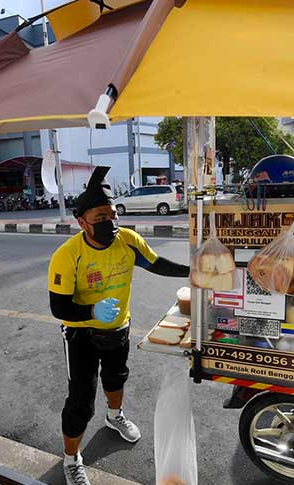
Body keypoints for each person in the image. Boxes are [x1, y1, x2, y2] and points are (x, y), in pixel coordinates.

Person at [48, 167, 190, 485]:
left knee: (116, 378)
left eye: (113, 215)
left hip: (118, 329)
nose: (110, 222)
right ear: (82, 222)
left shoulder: (127, 240)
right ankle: (71, 459)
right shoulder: (67, 255)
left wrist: (192, 272)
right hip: (80, 333)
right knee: (81, 401)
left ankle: (115, 417)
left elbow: (156, 264)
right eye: (100, 217)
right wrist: (91, 310)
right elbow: (58, 307)